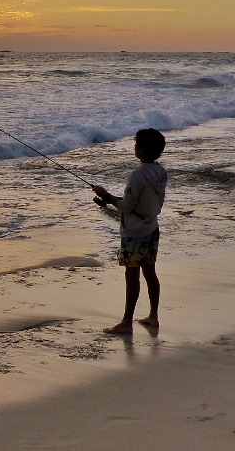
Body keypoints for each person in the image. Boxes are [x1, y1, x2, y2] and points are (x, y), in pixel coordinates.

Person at [92, 128, 168, 334]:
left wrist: (106, 195)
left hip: (134, 233)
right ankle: (153, 316)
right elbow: (141, 203)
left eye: (136, 144)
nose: (134, 147)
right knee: (150, 272)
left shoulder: (136, 176)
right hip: (151, 228)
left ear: (140, 150)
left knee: (132, 275)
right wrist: (110, 200)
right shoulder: (161, 172)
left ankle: (126, 323)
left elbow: (126, 207)